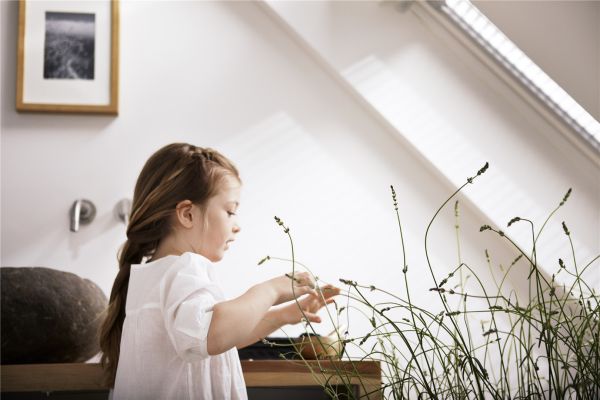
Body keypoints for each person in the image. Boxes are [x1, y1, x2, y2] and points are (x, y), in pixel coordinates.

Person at [99, 143, 340, 399]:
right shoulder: (184, 269)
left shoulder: (154, 277)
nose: (237, 226)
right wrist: (270, 290)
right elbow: (213, 335)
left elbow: (220, 341)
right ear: (188, 214)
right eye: (230, 211)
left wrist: (285, 314)